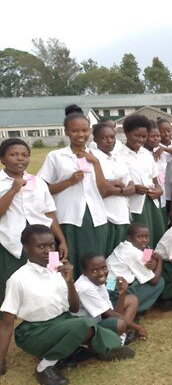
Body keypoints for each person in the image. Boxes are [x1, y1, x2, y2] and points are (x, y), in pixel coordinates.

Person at [0, 225, 132, 385]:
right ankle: (45, 366)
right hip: (34, 331)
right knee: (84, 325)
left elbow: (74, 309)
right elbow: (6, 325)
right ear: (26, 248)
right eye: (41, 246)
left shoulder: (57, 270)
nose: (48, 251)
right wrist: (1, 361)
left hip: (63, 322)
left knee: (113, 325)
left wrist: (69, 282)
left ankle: (82, 352)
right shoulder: (18, 279)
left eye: (51, 245)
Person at [38, 105, 110, 279]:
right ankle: (70, 292)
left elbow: (103, 190)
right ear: (66, 132)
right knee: (70, 257)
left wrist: (95, 163)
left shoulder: (97, 156)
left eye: (84, 130)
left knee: (95, 257)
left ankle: (95, 292)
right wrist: (69, 182)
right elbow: (42, 189)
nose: (80, 134)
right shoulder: (56, 156)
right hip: (68, 216)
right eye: (75, 130)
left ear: (90, 131)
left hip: (95, 217)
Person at [0, 139, 67, 303]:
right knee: (11, 282)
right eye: (13, 154)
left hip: (44, 240)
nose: (20, 158)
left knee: (51, 275)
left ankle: (52, 307)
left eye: (24, 155)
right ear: (2, 159)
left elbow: (49, 213)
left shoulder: (38, 182)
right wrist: (13, 190)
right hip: (10, 242)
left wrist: (62, 241)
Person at [74, 253, 146, 344]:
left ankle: (122, 336)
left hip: (102, 315)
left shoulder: (99, 280)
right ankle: (118, 339)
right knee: (119, 324)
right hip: (88, 329)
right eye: (95, 270)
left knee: (132, 300)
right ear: (84, 272)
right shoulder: (85, 287)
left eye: (104, 268)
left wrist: (122, 294)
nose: (101, 273)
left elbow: (113, 313)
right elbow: (110, 315)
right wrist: (138, 328)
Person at [120, 114, 166, 248]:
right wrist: (134, 188)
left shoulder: (146, 154)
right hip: (134, 205)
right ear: (126, 133)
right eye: (136, 135)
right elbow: (120, 180)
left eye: (143, 136)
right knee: (139, 240)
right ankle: (142, 260)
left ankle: (152, 260)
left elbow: (155, 179)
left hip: (151, 202)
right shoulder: (119, 155)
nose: (140, 139)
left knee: (154, 235)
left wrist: (159, 190)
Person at [92, 123, 134, 253]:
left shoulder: (117, 158)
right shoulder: (93, 158)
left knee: (121, 253)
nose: (110, 141)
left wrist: (116, 188)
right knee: (107, 252)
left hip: (122, 213)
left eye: (112, 137)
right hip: (106, 215)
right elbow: (101, 189)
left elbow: (132, 187)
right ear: (95, 139)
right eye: (104, 138)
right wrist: (118, 188)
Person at [106, 222, 165, 314]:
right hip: (115, 288)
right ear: (129, 238)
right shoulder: (134, 254)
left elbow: (147, 252)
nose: (144, 240)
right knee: (160, 282)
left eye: (146, 237)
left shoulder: (124, 245)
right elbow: (153, 280)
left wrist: (152, 260)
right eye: (140, 237)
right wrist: (160, 260)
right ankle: (131, 311)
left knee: (140, 278)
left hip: (109, 285)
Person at [154, 118, 172, 222]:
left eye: (168, 131)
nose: (166, 134)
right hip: (163, 190)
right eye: (162, 131)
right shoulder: (154, 148)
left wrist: (164, 149)